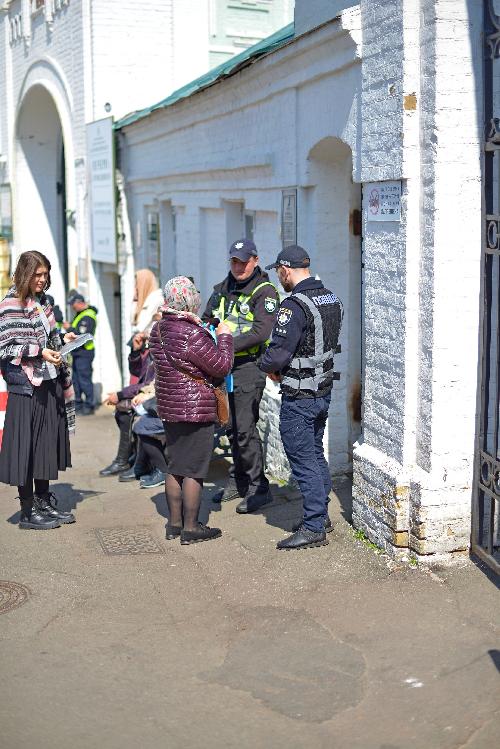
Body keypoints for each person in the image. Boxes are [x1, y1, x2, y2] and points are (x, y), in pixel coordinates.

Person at [260, 245, 343, 550]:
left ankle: (313, 527)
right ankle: (319, 517)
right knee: (316, 455)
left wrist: (264, 365)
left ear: (286, 269)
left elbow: (278, 353)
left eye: (278, 271)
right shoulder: (330, 298)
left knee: (304, 459)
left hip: (299, 396)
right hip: (322, 391)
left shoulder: (293, 306)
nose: (279, 277)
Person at [149, 276, 233, 544]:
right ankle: (191, 528)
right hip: (195, 409)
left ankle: (173, 524)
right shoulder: (192, 333)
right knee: (194, 469)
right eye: (194, 294)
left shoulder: (158, 330)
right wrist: (225, 337)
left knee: (175, 466)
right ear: (187, 299)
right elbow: (221, 366)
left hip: (169, 406)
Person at [0, 251, 78, 529]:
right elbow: (6, 347)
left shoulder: (43, 302)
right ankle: (27, 512)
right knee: (26, 449)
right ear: (25, 273)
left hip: (48, 381)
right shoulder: (10, 304)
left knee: (44, 446)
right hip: (25, 386)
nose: (43, 280)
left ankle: (43, 502)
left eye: (46, 274)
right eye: (37, 274)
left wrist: (63, 339)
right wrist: (39, 351)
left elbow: (49, 338)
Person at [202, 238, 279, 514]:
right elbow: (207, 317)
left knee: (245, 429)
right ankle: (239, 480)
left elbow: (261, 332)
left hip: (248, 367)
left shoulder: (265, 291)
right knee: (231, 427)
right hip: (225, 368)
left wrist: (224, 342)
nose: (238, 267)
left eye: (244, 262)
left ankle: (261, 488)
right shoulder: (223, 288)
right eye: (234, 261)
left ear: (255, 261)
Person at [100, 336, 156, 476]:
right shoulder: (154, 349)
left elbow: (149, 384)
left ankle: (127, 460)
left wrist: (120, 394)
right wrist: (136, 352)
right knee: (121, 408)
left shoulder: (167, 349)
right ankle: (131, 455)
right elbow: (137, 372)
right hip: (149, 393)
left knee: (126, 410)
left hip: (156, 397)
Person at [63, 291, 98, 415]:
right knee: (76, 380)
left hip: (85, 353)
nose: (72, 306)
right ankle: (78, 405)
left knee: (84, 380)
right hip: (77, 353)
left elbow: (82, 335)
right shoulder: (80, 314)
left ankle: (89, 405)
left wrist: (69, 328)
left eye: (73, 304)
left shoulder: (88, 316)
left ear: (79, 303)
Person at [131, 269, 164, 336]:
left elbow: (139, 328)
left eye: (137, 284)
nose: (136, 287)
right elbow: (132, 322)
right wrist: (135, 301)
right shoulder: (143, 300)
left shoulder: (156, 300)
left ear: (144, 284)